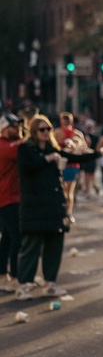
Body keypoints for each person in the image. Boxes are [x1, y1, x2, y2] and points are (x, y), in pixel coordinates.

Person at [14, 116, 103, 300]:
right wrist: (47, 159)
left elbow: (75, 157)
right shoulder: (26, 149)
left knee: (54, 244)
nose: (46, 133)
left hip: (54, 204)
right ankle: (23, 285)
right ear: (34, 132)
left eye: (48, 129)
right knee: (31, 246)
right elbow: (26, 169)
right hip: (34, 205)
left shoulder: (54, 149)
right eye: (42, 130)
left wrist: (101, 153)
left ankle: (50, 283)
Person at [0, 113, 23, 292]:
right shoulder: (5, 146)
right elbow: (21, 148)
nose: (17, 130)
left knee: (7, 238)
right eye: (13, 127)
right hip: (8, 198)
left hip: (10, 196)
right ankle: (15, 277)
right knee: (17, 237)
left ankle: (2, 275)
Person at [53, 112, 87, 223]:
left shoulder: (76, 134)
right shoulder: (58, 133)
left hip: (70, 165)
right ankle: (65, 213)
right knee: (64, 191)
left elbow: (83, 148)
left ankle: (67, 213)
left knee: (67, 191)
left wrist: (74, 145)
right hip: (62, 164)